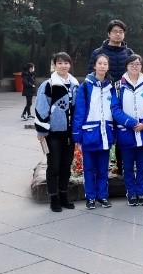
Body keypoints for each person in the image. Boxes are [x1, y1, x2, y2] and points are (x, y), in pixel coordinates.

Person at [85, 19, 133, 175]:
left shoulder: (129, 53)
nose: (118, 34)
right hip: (104, 98)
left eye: (121, 32)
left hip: (124, 98)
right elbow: (90, 75)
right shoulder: (98, 53)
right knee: (103, 130)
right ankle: (100, 170)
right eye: (115, 31)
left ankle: (122, 167)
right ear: (109, 33)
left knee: (123, 132)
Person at [34, 52, 79, 212]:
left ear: (70, 65)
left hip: (69, 133)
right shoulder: (48, 85)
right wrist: (41, 130)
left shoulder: (75, 85)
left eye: (66, 63)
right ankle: (54, 199)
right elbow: (41, 107)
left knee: (66, 166)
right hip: (53, 133)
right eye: (59, 63)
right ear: (55, 65)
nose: (63, 66)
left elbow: (78, 108)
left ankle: (64, 196)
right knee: (53, 166)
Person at [111, 54, 143, 207]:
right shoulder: (118, 86)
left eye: (137, 64)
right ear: (126, 66)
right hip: (127, 132)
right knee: (128, 167)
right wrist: (131, 123)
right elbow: (115, 109)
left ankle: (141, 192)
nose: (134, 66)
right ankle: (131, 193)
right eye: (131, 64)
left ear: (142, 67)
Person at [72, 53, 115, 209]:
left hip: (106, 133)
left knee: (103, 168)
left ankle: (102, 196)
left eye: (105, 64)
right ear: (94, 66)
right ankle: (90, 197)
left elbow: (114, 110)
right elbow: (79, 112)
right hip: (89, 132)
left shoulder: (111, 87)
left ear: (108, 67)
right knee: (89, 168)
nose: (102, 66)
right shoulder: (85, 86)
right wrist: (77, 134)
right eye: (100, 63)